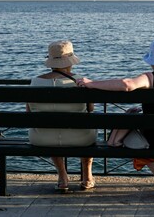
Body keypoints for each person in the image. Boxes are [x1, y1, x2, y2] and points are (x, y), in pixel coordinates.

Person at [76, 39, 154, 199]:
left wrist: (91, 83)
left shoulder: (150, 78)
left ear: (152, 61)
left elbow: (127, 85)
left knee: (136, 139)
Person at [26, 40, 97, 193]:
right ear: (70, 61)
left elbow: (29, 112)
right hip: (81, 139)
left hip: (42, 138)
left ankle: (63, 178)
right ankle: (87, 176)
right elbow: (91, 109)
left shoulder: (35, 82)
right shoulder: (81, 82)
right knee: (88, 124)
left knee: (50, 124)